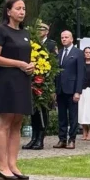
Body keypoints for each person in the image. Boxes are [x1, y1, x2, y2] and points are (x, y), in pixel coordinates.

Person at [0, 0, 33, 180]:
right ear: (8, 11)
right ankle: (2, 166)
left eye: (24, 9)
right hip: (7, 79)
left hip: (23, 79)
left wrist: (30, 66)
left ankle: (13, 164)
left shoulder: (25, 33)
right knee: (5, 122)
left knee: (17, 122)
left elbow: (25, 57)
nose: (22, 12)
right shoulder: (1, 30)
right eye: (18, 8)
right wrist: (18, 64)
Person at [23, 22, 56, 150]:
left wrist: (51, 86)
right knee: (34, 111)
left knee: (43, 111)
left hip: (45, 82)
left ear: (47, 31)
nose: (39, 31)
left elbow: (54, 64)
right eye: (37, 29)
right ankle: (34, 138)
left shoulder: (51, 44)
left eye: (42, 29)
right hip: (33, 81)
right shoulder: (32, 43)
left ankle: (40, 139)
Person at [53, 30, 84, 149]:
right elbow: (57, 72)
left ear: (71, 39)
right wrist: (55, 90)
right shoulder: (59, 53)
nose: (64, 39)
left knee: (72, 116)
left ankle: (72, 139)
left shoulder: (78, 53)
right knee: (61, 116)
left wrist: (78, 91)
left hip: (72, 90)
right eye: (62, 37)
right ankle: (62, 139)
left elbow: (80, 73)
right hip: (60, 90)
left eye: (66, 37)